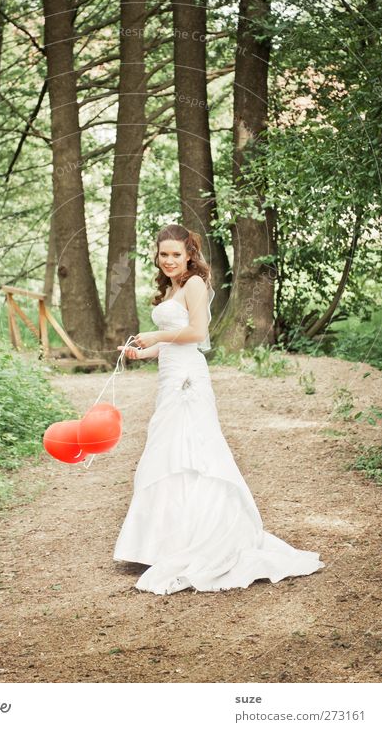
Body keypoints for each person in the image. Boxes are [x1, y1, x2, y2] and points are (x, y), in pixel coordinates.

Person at [113, 223, 325, 595]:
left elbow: (196, 333)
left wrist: (157, 335)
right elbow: (171, 345)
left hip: (188, 381)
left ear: (189, 254)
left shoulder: (194, 284)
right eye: (164, 254)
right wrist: (140, 351)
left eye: (176, 254)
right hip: (170, 376)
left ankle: (206, 536)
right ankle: (165, 542)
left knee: (196, 452)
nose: (169, 260)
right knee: (167, 452)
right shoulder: (173, 287)